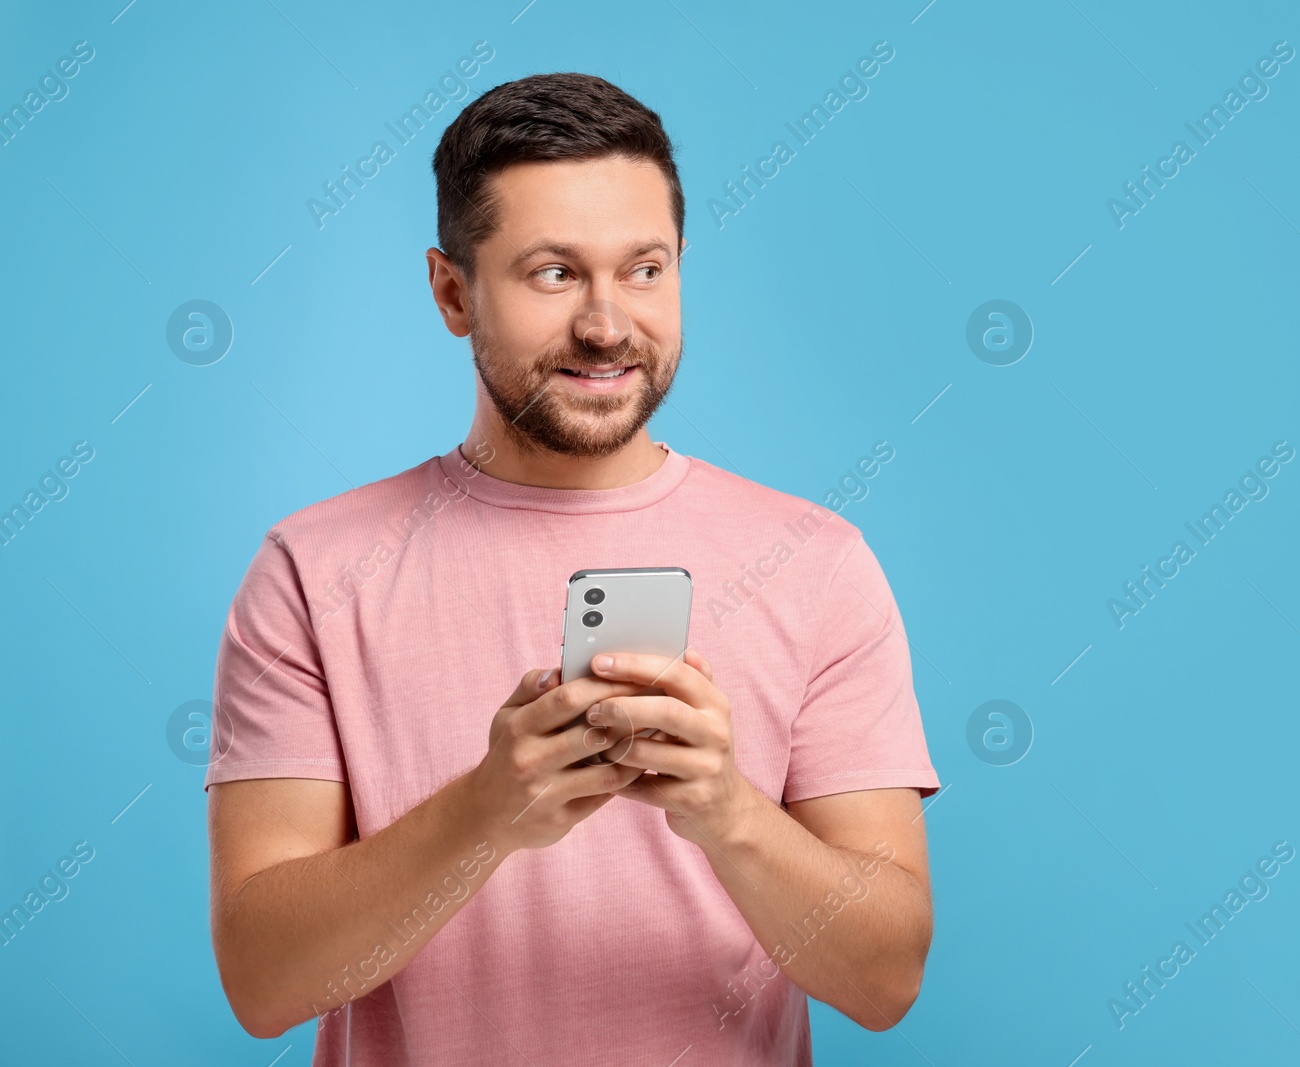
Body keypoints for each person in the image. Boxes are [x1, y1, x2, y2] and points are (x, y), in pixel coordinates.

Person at [204, 71, 940, 1066]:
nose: (606, 322)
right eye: (553, 274)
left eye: (644, 269)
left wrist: (727, 814)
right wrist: (485, 811)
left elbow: (885, 978)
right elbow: (262, 979)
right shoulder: (312, 569)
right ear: (452, 291)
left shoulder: (816, 564)